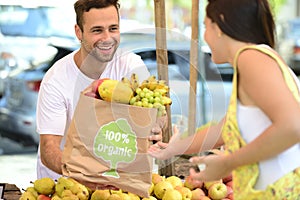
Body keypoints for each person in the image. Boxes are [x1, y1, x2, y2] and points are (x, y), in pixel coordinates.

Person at [148, 0, 300, 199]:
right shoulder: (260, 58)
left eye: (205, 26)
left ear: (219, 25)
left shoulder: (251, 58)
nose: (204, 36)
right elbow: (225, 128)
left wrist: (228, 163)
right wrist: (173, 148)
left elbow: (292, 126)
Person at [36, 0, 165, 182]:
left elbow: (156, 113)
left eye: (113, 28)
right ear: (78, 32)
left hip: (115, 181)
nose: (107, 38)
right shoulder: (56, 80)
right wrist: (86, 175)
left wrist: (157, 125)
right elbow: (49, 150)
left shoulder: (131, 66)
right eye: (97, 30)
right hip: (66, 184)